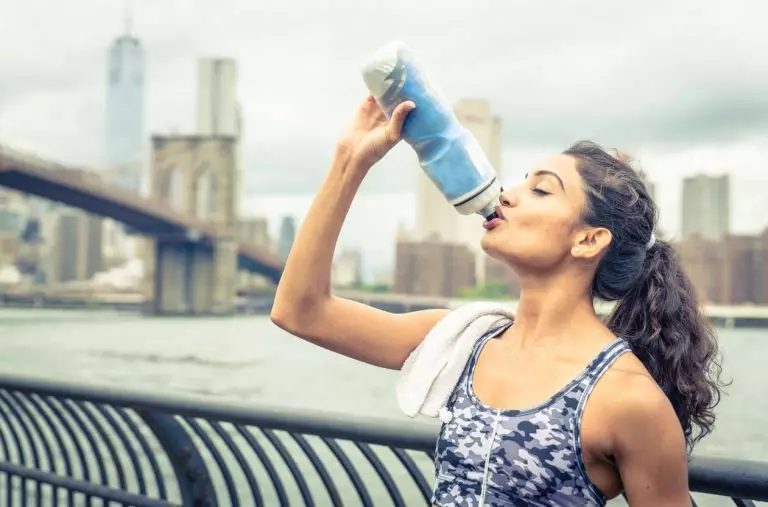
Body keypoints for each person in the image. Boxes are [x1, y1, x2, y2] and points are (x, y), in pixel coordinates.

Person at [271, 95, 725, 506]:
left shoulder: (628, 398)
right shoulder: (465, 340)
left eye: (541, 189)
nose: (506, 194)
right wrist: (349, 160)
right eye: (522, 182)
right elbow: (300, 312)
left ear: (588, 240)